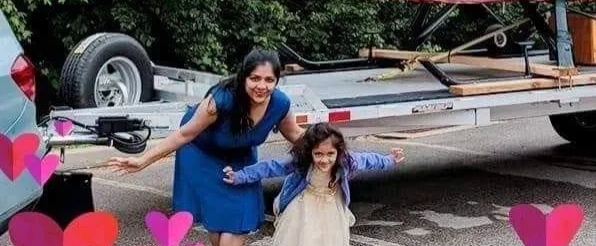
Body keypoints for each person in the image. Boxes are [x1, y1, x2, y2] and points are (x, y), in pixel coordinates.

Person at [107, 49, 305, 246]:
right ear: (244, 77)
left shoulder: (280, 104)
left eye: (269, 80)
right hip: (202, 154)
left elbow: (297, 134)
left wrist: (334, 151)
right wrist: (143, 160)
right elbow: (185, 134)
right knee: (218, 223)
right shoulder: (220, 101)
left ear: (277, 81)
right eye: (255, 78)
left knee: (238, 221)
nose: (261, 86)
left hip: (241, 158)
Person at [222, 122, 405, 246]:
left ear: (338, 152)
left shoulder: (346, 162)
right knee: (302, 238)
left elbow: (368, 160)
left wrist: (389, 159)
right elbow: (271, 167)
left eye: (330, 154)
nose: (324, 160)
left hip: (331, 207)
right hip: (304, 206)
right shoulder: (302, 164)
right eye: (318, 154)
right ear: (309, 152)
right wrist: (240, 176)